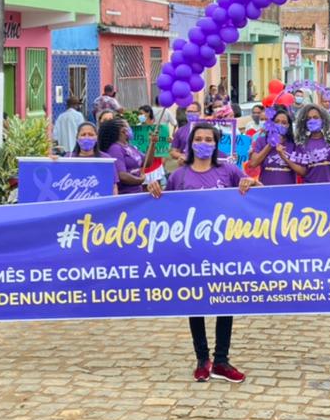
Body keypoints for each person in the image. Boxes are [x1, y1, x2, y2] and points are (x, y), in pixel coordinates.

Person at [148, 123, 256, 383]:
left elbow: (253, 191)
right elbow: (166, 210)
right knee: (195, 301)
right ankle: (202, 359)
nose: (204, 143)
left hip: (223, 250)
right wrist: (154, 192)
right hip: (191, 252)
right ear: (190, 143)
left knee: (224, 302)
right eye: (199, 138)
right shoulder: (179, 176)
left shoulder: (228, 170)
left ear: (216, 144)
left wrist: (248, 182)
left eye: (209, 139)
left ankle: (221, 360)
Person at [286, 104, 330, 184]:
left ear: (323, 120)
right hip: (310, 188)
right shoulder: (301, 144)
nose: (312, 120)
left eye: (316, 117)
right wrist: (284, 157)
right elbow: (303, 171)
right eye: (308, 118)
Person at [245, 106, 299, 185]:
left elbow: (301, 170)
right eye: (277, 122)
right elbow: (253, 163)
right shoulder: (261, 141)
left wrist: (284, 157)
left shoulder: (294, 144)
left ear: (288, 126)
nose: (280, 125)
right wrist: (270, 144)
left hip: (288, 190)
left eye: (284, 123)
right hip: (266, 189)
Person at [99, 118, 148, 194]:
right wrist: (140, 180)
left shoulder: (130, 146)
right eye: (128, 126)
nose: (130, 129)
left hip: (137, 192)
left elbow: (147, 162)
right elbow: (122, 176)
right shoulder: (115, 149)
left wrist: (153, 143)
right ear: (122, 130)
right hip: (126, 194)